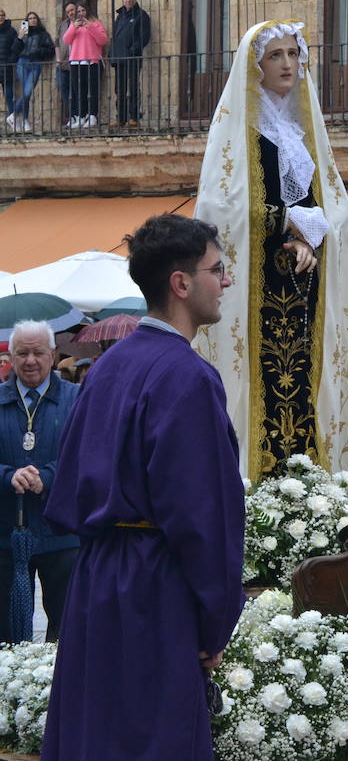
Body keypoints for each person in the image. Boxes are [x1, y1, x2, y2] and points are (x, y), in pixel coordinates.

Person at [42, 213, 244, 759]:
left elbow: (67, 489)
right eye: (217, 269)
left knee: (96, 733)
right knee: (154, 737)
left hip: (95, 582)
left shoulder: (107, 368)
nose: (226, 280)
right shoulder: (189, 377)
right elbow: (204, 516)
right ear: (181, 284)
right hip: (155, 587)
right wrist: (214, 622)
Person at [195, 21, 348, 494]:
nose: (287, 65)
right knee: (259, 404)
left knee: (307, 403)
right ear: (255, 66)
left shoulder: (304, 134)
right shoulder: (239, 133)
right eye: (275, 55)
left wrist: (310, 235)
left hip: (305, 300)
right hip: (254, 302)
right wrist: (286, 223)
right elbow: (220, 209)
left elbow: (333, 210)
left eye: (293, 54)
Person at [0, 321, 79, 642]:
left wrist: (47, 476)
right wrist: (8, 475)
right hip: (6, 536)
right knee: (6, 633)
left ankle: (59, 690)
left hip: (62, 534)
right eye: (22, 353)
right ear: (10, 357)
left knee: (67, 631)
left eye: (38, 352)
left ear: (53, 354)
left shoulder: (77, 399)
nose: (30, 360)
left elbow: (90, 455)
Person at [61, 4, 107, 129]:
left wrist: (90, 26)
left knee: (92, 90)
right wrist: (73, 28)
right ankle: (81, 116)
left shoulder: (96, 24)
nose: (81, 13)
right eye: (79, 11)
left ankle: (92, 115)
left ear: (88, 11)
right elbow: (66, 40)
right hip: (76, 62)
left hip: (92, 61)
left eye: (83, 10)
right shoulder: (74, 25)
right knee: (79, 91)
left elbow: (102, 40)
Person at [111, 0, 152, 127]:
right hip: (119, 58)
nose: (128, 0)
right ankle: (121, 118)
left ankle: (134, 117)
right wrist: (112, 53)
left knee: (133, 87)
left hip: (132, 58)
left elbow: (144, 37)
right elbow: (115, 36)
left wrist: (132, 50)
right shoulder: (120, 16)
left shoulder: (141, 15)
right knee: (119, 89)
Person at [10, 13, 54, 133]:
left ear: (37, 20)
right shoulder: (23, 34)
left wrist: (38, 51)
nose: (32, 20)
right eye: (30, 19)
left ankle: (13, 115)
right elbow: (14, 50)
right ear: (27, 21)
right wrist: (19, 37)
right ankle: (24, 120)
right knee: (26, 94)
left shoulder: (43, 34)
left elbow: (51, 50)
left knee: (27, 92)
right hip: (22, 63)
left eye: (34, 18)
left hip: (35, 64)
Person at [54, 4, 76, 125]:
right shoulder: (63, 24)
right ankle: (71, 115)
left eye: (72, 10)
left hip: (76, 64)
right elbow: (57, 41)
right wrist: (58, 59)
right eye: (68, 11)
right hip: (62, 65)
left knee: (76, 91)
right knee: (63, 89)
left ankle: (76, 116)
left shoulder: (81, 23)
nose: (70, 13)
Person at [0, 10, 19, 127]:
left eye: (2, 15)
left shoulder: (11, 31)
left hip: (6, 68)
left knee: (9, 95)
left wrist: (10, 61)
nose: (0, 17)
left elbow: (16, 48)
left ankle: (12, 119)